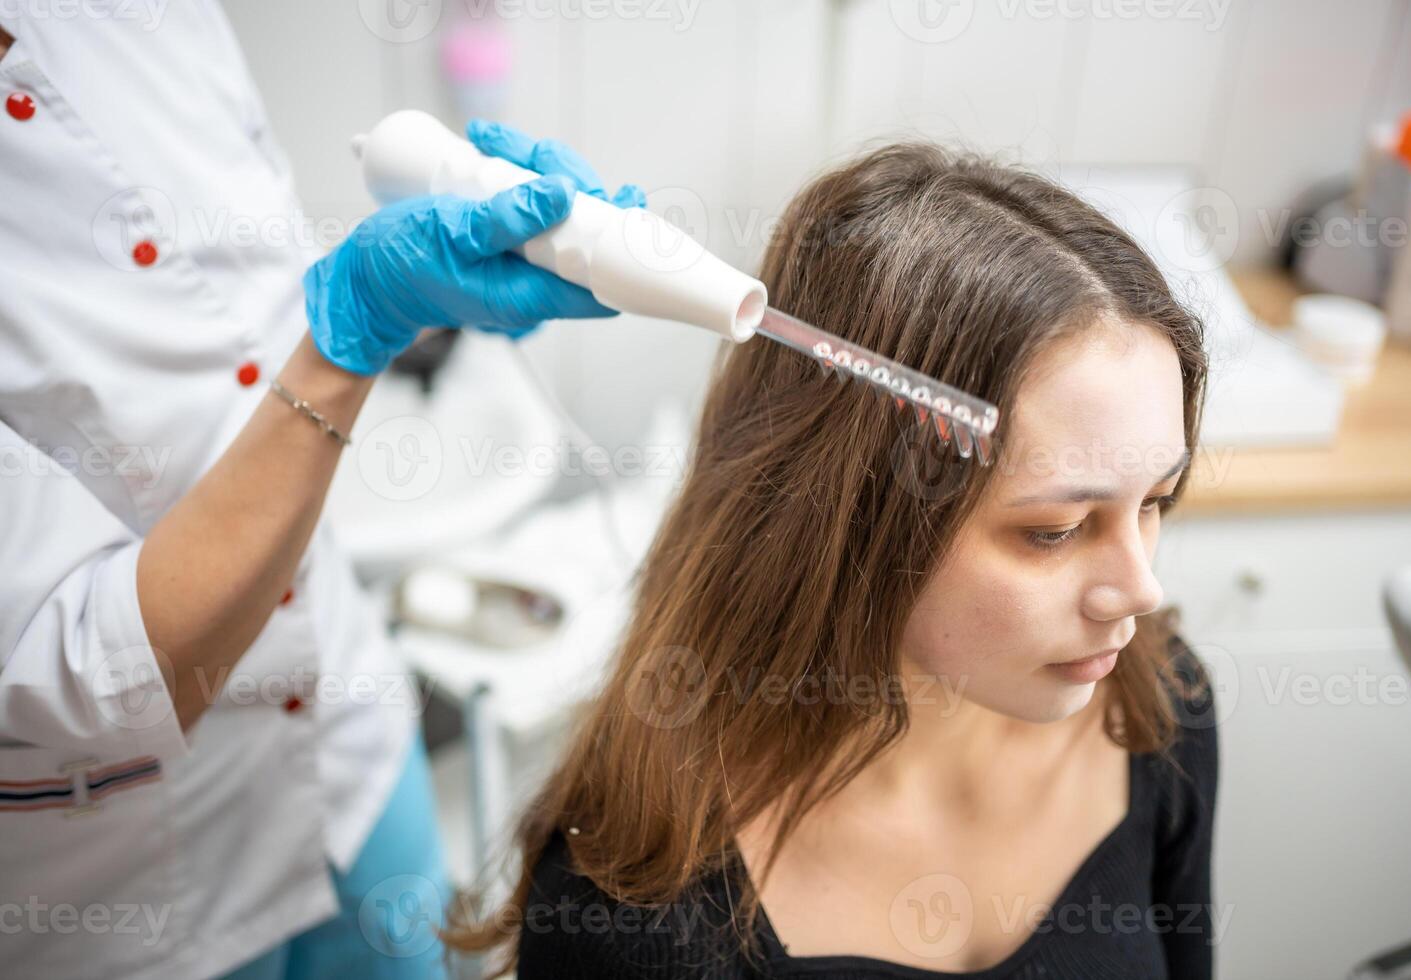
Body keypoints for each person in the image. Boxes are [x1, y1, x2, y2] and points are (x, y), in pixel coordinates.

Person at [443, 142, 1220, 978]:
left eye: (1155, 503)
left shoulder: (1157, 707)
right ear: (855, 516)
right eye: (1055, 530)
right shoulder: (633, 904)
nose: (1139, 589)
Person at [0, 6, 642, 978]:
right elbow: (99, 665)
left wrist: (449, 276)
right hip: (122, 880)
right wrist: (357, 324)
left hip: (349, 743)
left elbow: (247, 298)